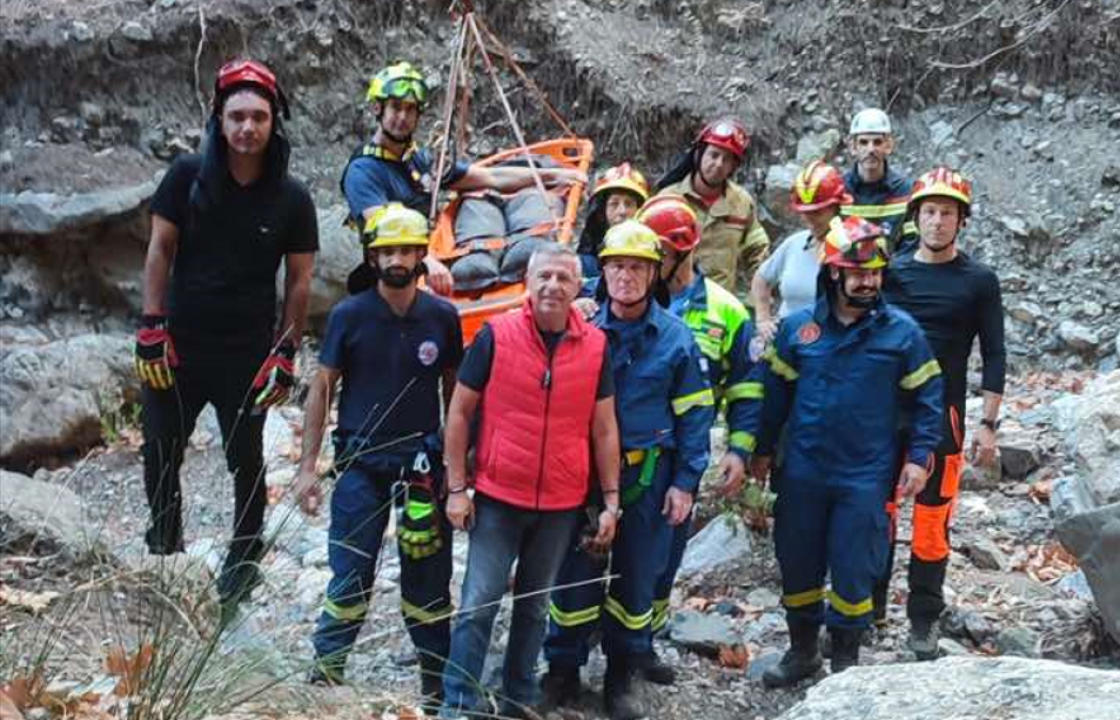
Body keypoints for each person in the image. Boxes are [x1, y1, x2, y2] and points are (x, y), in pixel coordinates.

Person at [134, 59, 317, 619]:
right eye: (236, 115)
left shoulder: (292, 198)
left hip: (247, 353)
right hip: (180, 346)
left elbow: (301, 280)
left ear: (273, 122)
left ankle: (242, 562)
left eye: (258, 117)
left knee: (246, 459)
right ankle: (166, 548)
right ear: (218, 118)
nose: (247, 128)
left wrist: (285, 352)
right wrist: (150, 326)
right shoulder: (185, 176)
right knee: (161, 450)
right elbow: (160, 250)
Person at [751, 216, 943, 686]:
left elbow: (929, 400)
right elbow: (773, 399)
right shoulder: (799, 331)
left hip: (865, 475)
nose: (868, 281)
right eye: (857, 272)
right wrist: (758, 451)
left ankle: (845, 667)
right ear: (833, 272)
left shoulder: (902, 334)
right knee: (797, 562)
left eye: (875, 272)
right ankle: (801, 654)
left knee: (855, 570)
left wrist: (919, 458)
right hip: (801, 472)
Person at [437, 244, 621, 719]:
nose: (552, 287)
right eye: (544, 277)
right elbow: (459, 412)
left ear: (579, 287)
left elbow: (604, 428)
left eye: (563, 278)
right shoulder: (496, 335)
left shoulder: (596, 346)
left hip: (560, 504)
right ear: (528, 282)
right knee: (478, 604)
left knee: (535, 609)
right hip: (498, 497)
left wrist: (611, 500)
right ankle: (458, 705)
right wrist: (457, 488)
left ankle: (517, 700)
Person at [289, 205, 461, 709]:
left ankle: (436, 684)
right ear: (373, 255)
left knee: (428, 577)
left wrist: (457, 470)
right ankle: (325, 676)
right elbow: (321, 389)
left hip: (422, 466)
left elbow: (457, 395)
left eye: (406, 250)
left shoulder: (442, 317)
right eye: (387, 250)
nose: (397, 259)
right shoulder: (350, 314)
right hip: (361, 461)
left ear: (420, 254)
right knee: (349, 570)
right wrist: (307, 468)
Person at [542, 221, 714, 720]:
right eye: (617, 265)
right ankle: (562, 670)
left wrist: (685, 482)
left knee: (638, 578)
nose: (625, 276)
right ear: (603, 269)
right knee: (574, 576)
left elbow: (696, 418)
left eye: (637, 267)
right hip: (582, 475)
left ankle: (623, 673)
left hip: (648, 474)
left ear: (654, 271)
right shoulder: (578, 328)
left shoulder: (677, 340)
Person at [881, 167, 1005, 660]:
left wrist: (989, 423)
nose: (936, 222)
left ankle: (923, 622)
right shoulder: (890, 274)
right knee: (878, 516)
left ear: (961, 221)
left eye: (947, 213)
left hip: (945, 417)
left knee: (932, 523)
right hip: (887, 415)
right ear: (915, 217)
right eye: (929, 212)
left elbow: (994, 354)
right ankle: (864, 613)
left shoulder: (979, 281)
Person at [637, 195, 761, 682]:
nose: (648, 265)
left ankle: (646, 636)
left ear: (683, 252)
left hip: (684, 451)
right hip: (627, 446)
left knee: (666, 550)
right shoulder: (628, 299)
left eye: (658, 255)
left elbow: (747, 386)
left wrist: (739, 448)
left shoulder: (726, 312)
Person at [341, 61, 586, 295]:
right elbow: (387, 232)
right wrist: (426, 261)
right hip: (395, 274)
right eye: (396, 107)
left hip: (427, 260)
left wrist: (552, 175)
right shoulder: (363, 172)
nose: (403, 117)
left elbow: (491, 177)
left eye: (410, 109)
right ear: (378, 108)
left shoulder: (419, 161)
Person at [655, 117, 770, 297]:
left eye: (727, 160)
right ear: (699, 154)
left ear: (733, 167)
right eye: (714, 155)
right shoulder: (669, 199)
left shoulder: (742, 203)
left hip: (720, 307)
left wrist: (760, 296)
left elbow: (757, 252)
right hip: (672, 304)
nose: (718, 165)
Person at [751, 160, 852, 343]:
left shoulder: (854, 249)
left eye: (818, 212)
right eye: (805, 213)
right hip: (788, 344)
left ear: (836, 208)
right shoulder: (794, 244)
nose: (810, 220)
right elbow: (762, 279)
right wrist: (763, 319)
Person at [839, 108, 914, 248]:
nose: (871, 149)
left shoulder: (906, 192)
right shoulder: (838, 191)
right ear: (852, 147)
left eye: (877, 142)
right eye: (863, 142)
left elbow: (911, 247)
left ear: (889, 146)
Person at [576, 162, 650, 278]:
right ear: (602, 211)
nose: (622, 212)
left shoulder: (651, 255)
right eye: (614, 204)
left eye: (629, 204)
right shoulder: (585, 264)